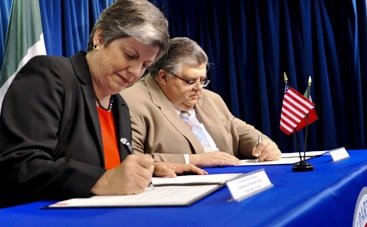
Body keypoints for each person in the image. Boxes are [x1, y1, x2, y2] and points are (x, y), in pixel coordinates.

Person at [0, 1, 205, 207]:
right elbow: (21, 165)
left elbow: (109, 168)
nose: (135, 72)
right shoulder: (51, 75)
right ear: (100, 38)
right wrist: (104, 180)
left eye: (145, 65)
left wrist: (146, 171)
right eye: (130, 56)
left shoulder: (119, 105)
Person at [120, 37, 281, 167]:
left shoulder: (210, 99)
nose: (199, 89)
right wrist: (193, 160)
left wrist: (264, 145)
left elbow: (238, 131)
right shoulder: (131, 101)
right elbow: (130, 161)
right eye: (190, 81)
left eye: (202, 80)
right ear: (163, 77)